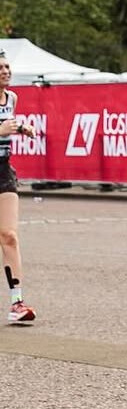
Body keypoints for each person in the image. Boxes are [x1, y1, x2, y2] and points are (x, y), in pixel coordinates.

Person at [0, 52, 36, 324]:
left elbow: (7, 124)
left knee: (9, 235)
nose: (5, 71)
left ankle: (17, 303)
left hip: (3, 169)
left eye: (7, 66)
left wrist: (22, 128)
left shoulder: (11, 98)